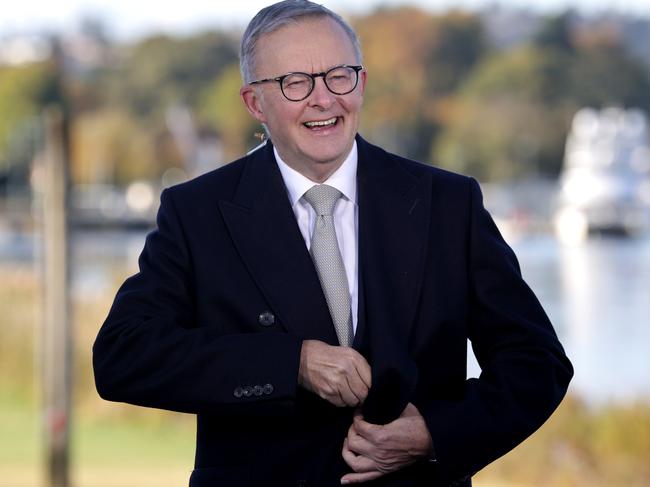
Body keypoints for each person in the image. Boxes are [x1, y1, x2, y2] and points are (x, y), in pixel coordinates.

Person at [92, 1, 573, 486]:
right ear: (255, 103)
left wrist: (434, 434)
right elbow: (122, 356)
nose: (323, 99)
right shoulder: (196, 213)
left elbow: (536, 364)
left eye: (338, 76)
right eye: (295, 82)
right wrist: (291, 364)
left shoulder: (449, 203)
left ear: (360, 84)